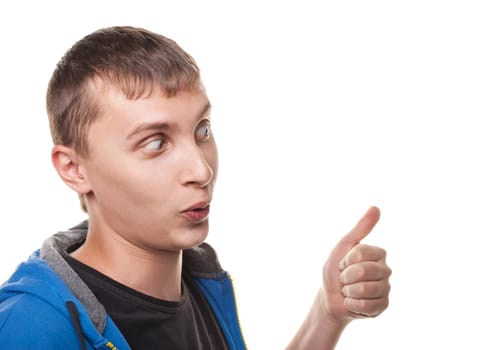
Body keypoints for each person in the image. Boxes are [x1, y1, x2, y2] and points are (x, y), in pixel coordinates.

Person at [0, 26, 391, 350]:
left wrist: (327, 314)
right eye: (155, 143)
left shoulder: (203, 280)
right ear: (74, 169)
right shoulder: (31, 329)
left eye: (202, 130)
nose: (201, 170)